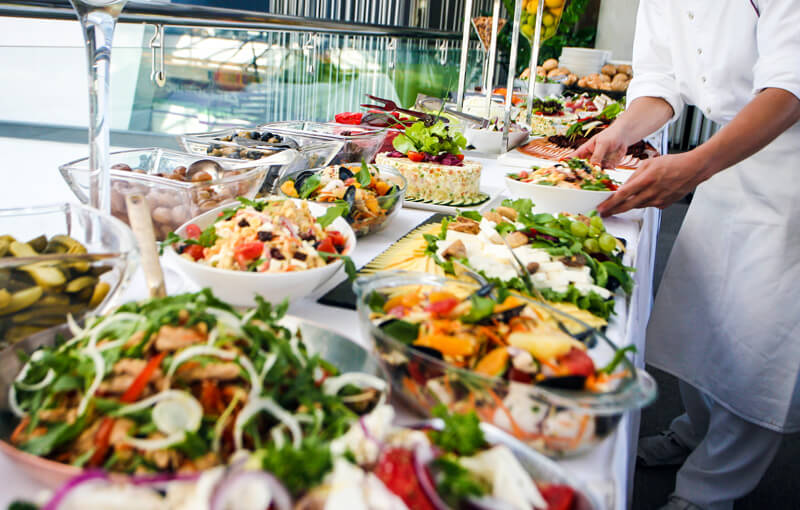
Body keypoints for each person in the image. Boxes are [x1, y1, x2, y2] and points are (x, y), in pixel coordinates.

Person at [573, 1, 800, 509]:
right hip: (729, 157)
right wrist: (620, 132)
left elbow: (790, 87)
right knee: (701, 313)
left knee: (758, 340)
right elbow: (659, 82)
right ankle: (693, 432)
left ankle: (708, 491)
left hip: (790, 167)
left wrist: (694, 167)